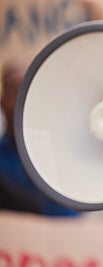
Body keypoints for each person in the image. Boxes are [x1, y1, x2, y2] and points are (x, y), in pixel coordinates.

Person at [0, 62, 78, 216]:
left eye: (29, 92)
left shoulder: (58, 154)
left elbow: (68, 215)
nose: (22, 102)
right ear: (2, 101)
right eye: (16, 92)